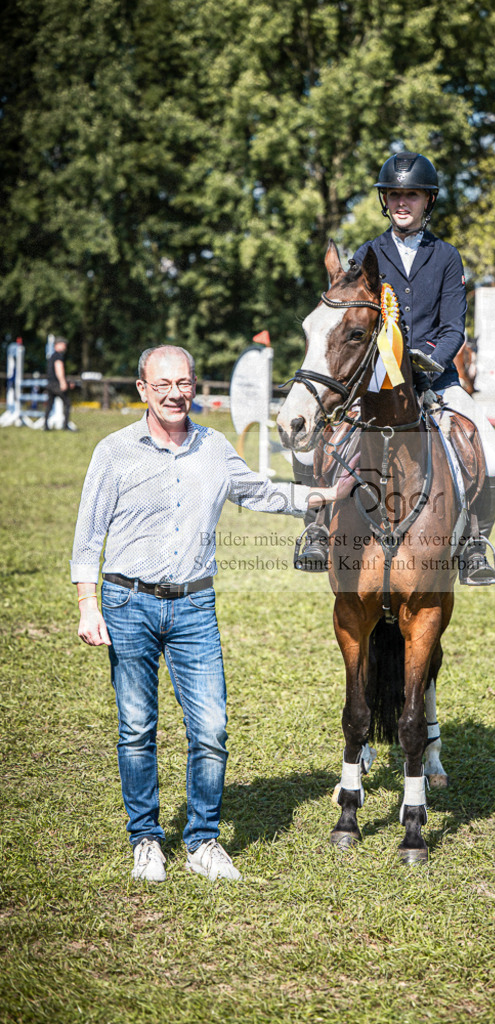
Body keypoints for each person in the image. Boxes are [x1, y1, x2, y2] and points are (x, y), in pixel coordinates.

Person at [72, 345, 354, 883]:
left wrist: (322, 496)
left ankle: (202, 840)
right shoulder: (113, 451)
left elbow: (257, 491)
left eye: (184, 382)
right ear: (142, 390)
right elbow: (88, 536)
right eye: (163, 385)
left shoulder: (214, 445)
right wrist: (89, 604)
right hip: (127, 602)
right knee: (136, 729)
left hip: (194, 606)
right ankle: (146, 840)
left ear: (194, 386)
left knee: (212, 729)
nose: (176, 393)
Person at [297, 151, 495, 585]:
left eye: (410, 195)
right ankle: (316, 529)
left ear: (427, 201)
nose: (401, 202)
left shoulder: (447, 257)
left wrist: (426, 360)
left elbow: (454, 328)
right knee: (307, 446)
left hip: (435, 379)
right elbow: (351, 317)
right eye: (393, 194)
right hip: (374, 383)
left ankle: (473, 543)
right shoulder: (369, 253)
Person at [44, 336, 72, 430]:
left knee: (49, 405)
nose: (65, 346)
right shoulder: (58, 356)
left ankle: (46, 426)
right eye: (63, 344)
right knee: (67, 403)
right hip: (56, 384)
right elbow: (58, 368)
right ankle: (65, 425)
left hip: (50, 384)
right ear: (58, 345)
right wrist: (63, 382)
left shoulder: (52, 356)